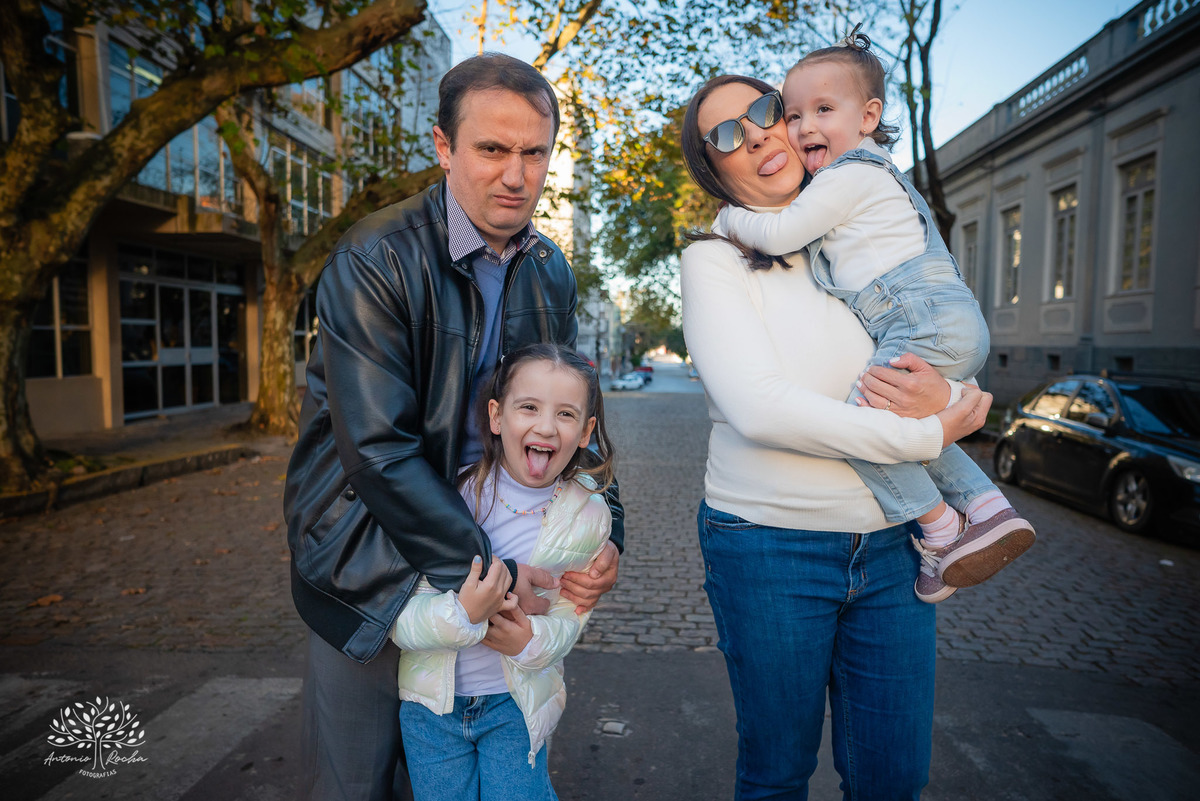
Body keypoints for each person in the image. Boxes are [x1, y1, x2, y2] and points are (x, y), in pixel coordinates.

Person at [284, 54, 624, 801]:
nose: (515, 174)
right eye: (492, 149)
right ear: (444, 148)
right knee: (357, 782)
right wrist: (493, 574)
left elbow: (574, 412)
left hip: (497, 560)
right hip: (372, 561)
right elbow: (377, 450)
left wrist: (610, 535)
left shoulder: (550, 270)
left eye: (534, 152)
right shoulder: (375, 258)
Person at [680, 73, 994, 799]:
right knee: (777, 775)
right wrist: (923, 435)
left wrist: (944, 395)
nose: (755, 133)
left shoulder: (858, 231)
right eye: (727, 134)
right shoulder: (714, 259)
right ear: (715, 167)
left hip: (894, 550)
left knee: (893, 779)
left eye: (764, 112)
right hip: (768, 545)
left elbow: (939, 338)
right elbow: (762, 407)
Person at [712, 30, 1034, 604]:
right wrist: (946, 399)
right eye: (796, 113)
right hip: (935, 320)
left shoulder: (849, 177)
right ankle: (987, 507)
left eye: (823, 110)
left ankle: (940, 530)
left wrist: (732, 221)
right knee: (887, 412)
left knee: (866, 426)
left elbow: (783, 231)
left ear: (869, 116)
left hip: (921, 320)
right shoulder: (867, 183)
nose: (803, 126)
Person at [392, 344, 614, 801]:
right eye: (528, 407)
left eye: (567, 414)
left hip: (517, 705)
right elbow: (397, 614)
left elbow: (572, 616)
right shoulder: (451, 496)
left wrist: (530, 643)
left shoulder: (589, 516)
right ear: (496, 416)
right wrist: (461, 614)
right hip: (431, 709)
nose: (546, 426)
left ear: (587, 431)